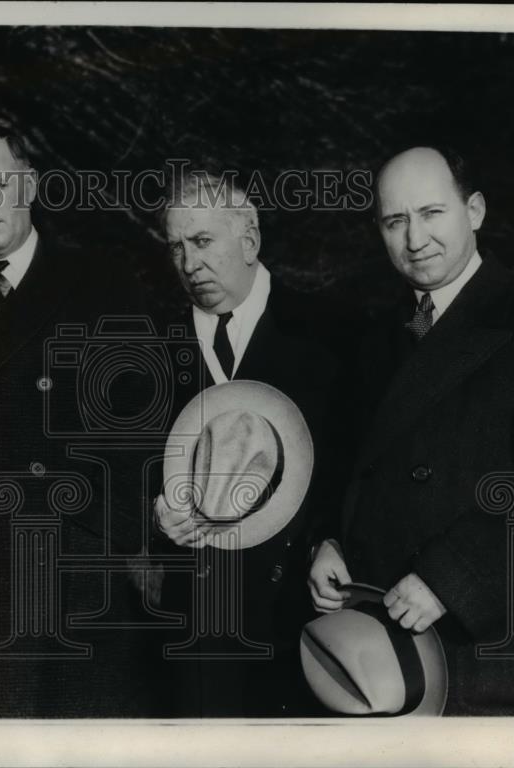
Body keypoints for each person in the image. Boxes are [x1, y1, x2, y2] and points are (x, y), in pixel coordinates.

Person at [307, 146, 514, 715]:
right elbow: (348, 466)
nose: (415, 239)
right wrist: (329, 540)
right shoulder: (371, 338)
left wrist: (450, 579)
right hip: (387, 652)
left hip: (493, 640)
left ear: (474, 211)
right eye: (395, 220)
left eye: (432, 213)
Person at [0, 115, 149, 717]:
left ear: (30, 185)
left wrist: (109, 538)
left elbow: (145, 428)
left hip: (82, 578)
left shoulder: (104, 284)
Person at [151, 171, 347, 717]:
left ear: (250, 240)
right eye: (176, 248)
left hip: (300, 629)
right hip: (194, 634)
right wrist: (154, 513)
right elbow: (123, 471)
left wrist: (331, 540)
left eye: (203, 242)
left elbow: (359, 470)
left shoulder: (334, 332)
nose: (190, 265)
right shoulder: (151, 345)